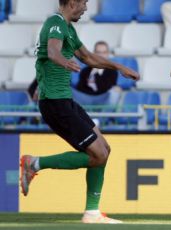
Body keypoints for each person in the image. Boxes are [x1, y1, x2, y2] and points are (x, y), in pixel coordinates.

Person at [20, 0, 139, 225]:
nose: (85, 7)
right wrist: (64, 62)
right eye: (84, 2)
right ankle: (34, 163)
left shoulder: (68, 28)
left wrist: (119, 67)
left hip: (65, 101)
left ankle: (92, 213)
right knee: (99, 155)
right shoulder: (55, 24)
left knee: (104, 150)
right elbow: (54, 50)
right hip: (55, 103)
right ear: (73, 2)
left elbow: (89, 58)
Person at [73, 41, 121, 105]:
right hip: (86, 99)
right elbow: (80, 89)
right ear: (94, 53)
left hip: (102, 100)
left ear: (108, 54)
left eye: (104, 52)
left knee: (115, 91)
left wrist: (97, 71)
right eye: (98, 52)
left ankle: (104, 115)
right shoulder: (85, 70)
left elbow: (105, 90)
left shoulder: (112, 71)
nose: (101, 55)